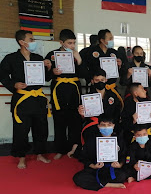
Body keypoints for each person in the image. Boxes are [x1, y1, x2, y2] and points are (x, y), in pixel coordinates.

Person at [0, 30, 53, 169]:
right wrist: (14, 85)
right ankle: (21, 157)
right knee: (21, 130)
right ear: (21, 42)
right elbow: (2, 75)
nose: (33, 42)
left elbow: (46, 78)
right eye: (31, 39)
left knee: (41, 128)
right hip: (22, 98)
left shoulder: (38, 57)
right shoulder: (11, 58)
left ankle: (40, 154)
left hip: (38, 98)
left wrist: (48, 67)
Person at [45, 29, 86, 160]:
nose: (72, 46)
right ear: (61, 42)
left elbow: (84, 75)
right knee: (59, 121)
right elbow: (45, 77)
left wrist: (79, 60)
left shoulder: (76, 55)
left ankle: (75, 147)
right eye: (69, 43)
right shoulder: (52, 55)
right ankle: (60, 149)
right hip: (59, 91)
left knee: (75, 120)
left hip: (74, 90)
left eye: (74, 42)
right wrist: (52, 72)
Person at [72, 116, 128, 191]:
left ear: (113, 126)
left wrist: (119, 165)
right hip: (96, 168)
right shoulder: (92, 140)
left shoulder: (119, 140)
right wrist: (93, 166)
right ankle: (108, 184)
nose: (106, 127)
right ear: (98, 126)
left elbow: (124, 155)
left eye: (109, 125)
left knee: (122, 176)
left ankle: (99, 183)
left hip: (112, 168)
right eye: (103, 125)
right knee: (78, 178)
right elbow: (84, 157)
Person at [78, 70, 122, 145]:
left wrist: (110, 124)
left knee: (119, 132)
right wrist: (81, 114)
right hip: (94, 124)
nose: (100, 82)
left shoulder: (113, 96)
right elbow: (84, 118)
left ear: (106, 80)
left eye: (102, 80)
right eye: (97, 80)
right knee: (90, 134)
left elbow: (117, 113)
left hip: (111, 124)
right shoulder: (87, 98)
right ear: (92, 81)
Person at [86, 29, 123, 107]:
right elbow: (86, 69)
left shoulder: (114, 53)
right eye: (110, 39)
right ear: (102, 40)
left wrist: (119, 66)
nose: (112, 40)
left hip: (111, 86)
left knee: (112, 109)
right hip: (97, 86)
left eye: (112, 38)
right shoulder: (91, 52)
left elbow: (119, 72)